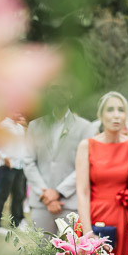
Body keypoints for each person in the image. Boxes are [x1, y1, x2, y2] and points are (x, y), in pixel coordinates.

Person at [76, 91, 128, 255]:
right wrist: (88, 231)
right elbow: (82, 192)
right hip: (96, 217)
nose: (116, 115)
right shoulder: (86, 146)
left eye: (120, 110)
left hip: (127, 220)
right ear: (100, 114)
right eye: (110, 109)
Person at [23, 101, 95, 235]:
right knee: (40, 253)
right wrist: (45, 194)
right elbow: (28, 162)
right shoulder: (35, 125)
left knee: (70, 253)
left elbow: (86, 164)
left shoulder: (85, 127)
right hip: (41, 203)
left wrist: (59, 192)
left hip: (70, 203)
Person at [0, 114, 27, 234]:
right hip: (7, 166)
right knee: (3, 195)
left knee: (19, 195)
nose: (19, 113)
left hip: (19, 166)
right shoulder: (4, 125)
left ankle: (15, 223)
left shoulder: (20, 127)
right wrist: (4, 157)